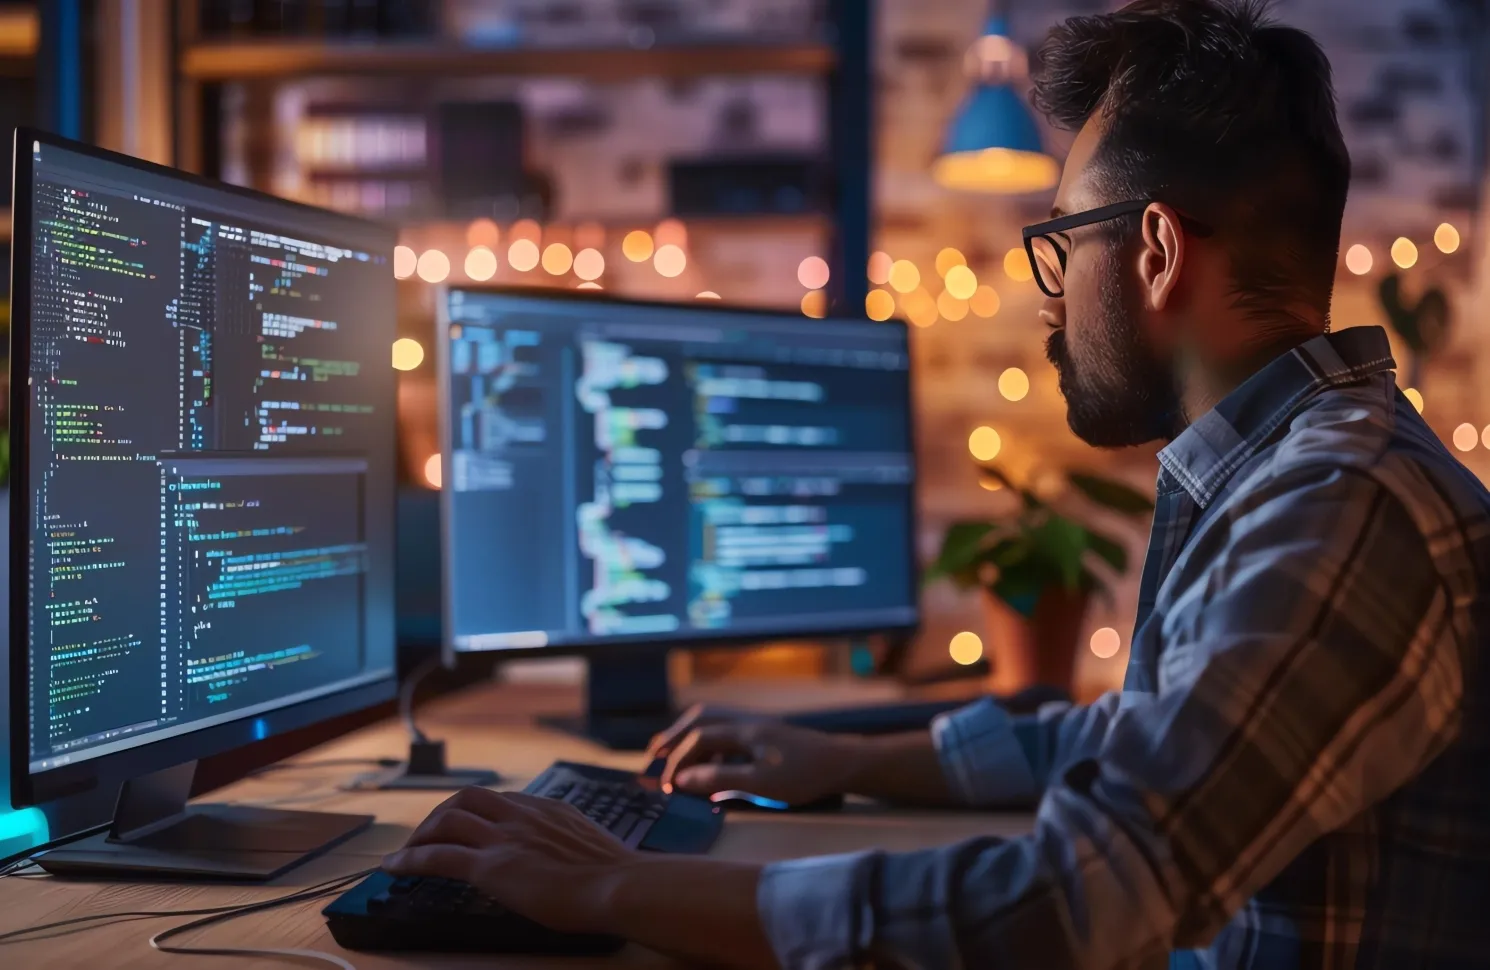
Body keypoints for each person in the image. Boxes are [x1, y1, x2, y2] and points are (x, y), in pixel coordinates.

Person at [384, 1, 1490, 966]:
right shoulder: (1297, 473)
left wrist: (605, 886)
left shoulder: (1336, 511)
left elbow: (1071, 900)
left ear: (1153, 250)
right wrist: (847, 757)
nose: (1048, 300)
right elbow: (1132, 740)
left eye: (1061, 244)